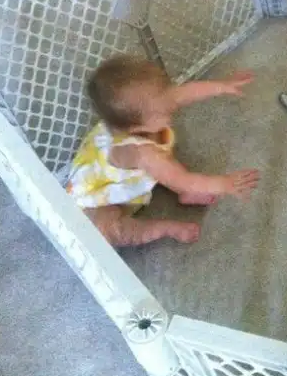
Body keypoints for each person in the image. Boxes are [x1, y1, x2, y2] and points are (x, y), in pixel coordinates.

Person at [65, 54, 260, 247]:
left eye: (167, 97)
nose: (172, 106)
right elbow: (184, 179)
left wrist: (222, 86)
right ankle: (163, 228)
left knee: (164, 160)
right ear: (135, 128)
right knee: (110, 231)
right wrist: (224, 184)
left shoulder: (146, 111)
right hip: (98, 200)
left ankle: (184, 194)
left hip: (127, 171)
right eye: (164, 110)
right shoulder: (141, 153)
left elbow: (183, 94)